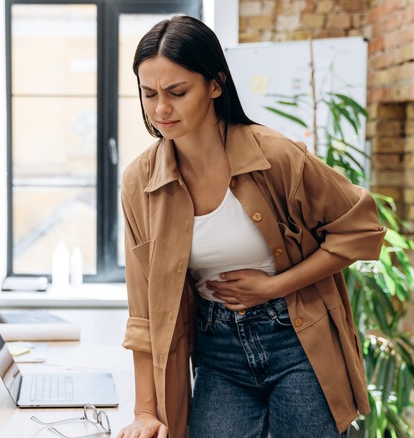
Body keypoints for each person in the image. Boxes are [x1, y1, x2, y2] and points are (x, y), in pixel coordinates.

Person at [116, 15, 386, 438]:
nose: (160, 109)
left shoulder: (276, 157)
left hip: (297, 342)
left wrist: (274, 287)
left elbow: (361, 229)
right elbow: (144, 312)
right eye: (148, 94)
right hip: (217, 350)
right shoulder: (141, 183)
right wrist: (144, 412)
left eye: (177, 92)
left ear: (215, 84)